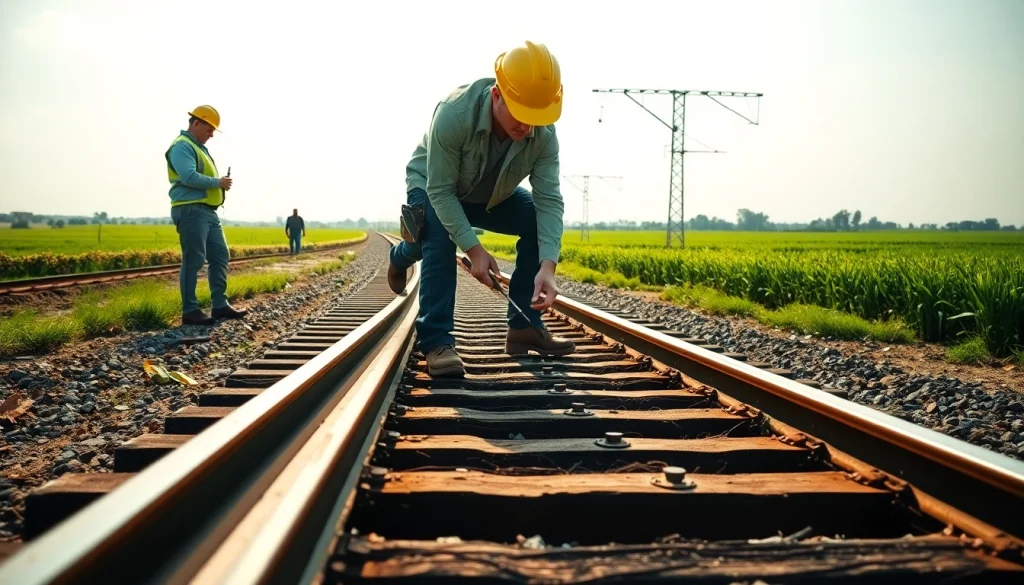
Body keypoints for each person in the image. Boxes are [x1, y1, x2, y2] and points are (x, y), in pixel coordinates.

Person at [387, 41, 575, 377]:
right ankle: (436, 340)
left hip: (489, 195)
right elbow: (441, 192)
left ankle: (524, 326)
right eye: (521, 115)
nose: (527, 128)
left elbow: (549, 200)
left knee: (533, 216)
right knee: (437, 239)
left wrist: (548, 267)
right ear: (497, 95)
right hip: (432, 185)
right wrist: (475, 250)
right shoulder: (453, 113)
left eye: (537, 118)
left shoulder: (544, 134)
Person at [166, 105, 248, 325]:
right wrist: (217, 182)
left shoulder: (197, 147)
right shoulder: (182, 146)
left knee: (220, 256)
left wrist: (217, 186)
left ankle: (220, 306)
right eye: (209, 129)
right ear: (196, 123)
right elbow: (188, 176)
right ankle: (190, 310)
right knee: (193, 260)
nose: (211, 135)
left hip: (208, 212)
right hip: (191, 209)